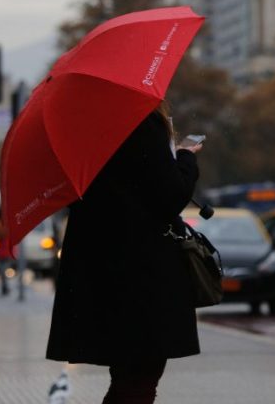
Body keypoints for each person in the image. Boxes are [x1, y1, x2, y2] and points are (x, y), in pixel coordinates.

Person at [46, 101, 203, 404]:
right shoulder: (139, 122)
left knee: (128, 377)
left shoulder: (81, 128)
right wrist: (185, 156)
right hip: (141, 274)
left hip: (101, 267)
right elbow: (170, 194)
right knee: (139, 379)